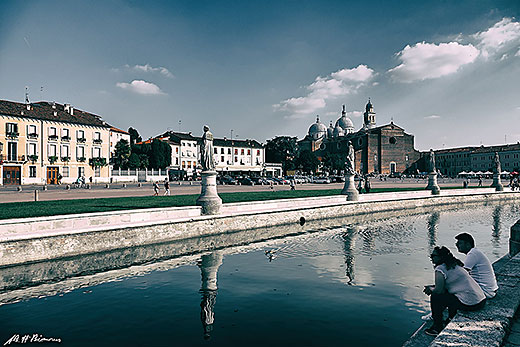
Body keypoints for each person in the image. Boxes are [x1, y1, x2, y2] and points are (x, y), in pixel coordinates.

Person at [423, 246, 486, 336]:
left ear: (441, 257)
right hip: (480, 301)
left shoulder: (440, 269)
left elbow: (439, 290)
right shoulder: (454, 265)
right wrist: (433, 287)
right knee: (449, 294)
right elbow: (446, 286)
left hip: (471, 304)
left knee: (435, 296)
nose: (431, 257)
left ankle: (437, 327)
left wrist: (431, 289)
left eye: (433, 255)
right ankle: (450, 318)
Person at [455, 233, 498, 298]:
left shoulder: (472, 254)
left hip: (485, 291)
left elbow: (462, 274)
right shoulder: (475, 252)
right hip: (489, 289)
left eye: (460, 243)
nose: (457, 245)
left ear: (467, 245)